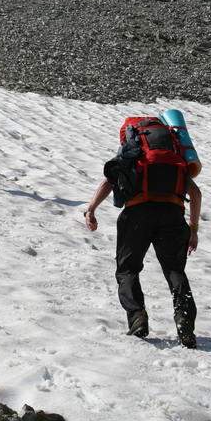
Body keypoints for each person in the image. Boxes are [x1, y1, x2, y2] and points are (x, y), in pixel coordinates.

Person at [84, 119, 202, 349]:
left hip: (137, 214)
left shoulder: (136, 153)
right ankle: (184, 318)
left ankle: (137, 316)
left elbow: (109, 181)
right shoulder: (175, 158)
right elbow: (196, 194)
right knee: (175, 269)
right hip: (172, 214)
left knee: (127, 268)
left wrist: (91, 209)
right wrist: (194, 230)